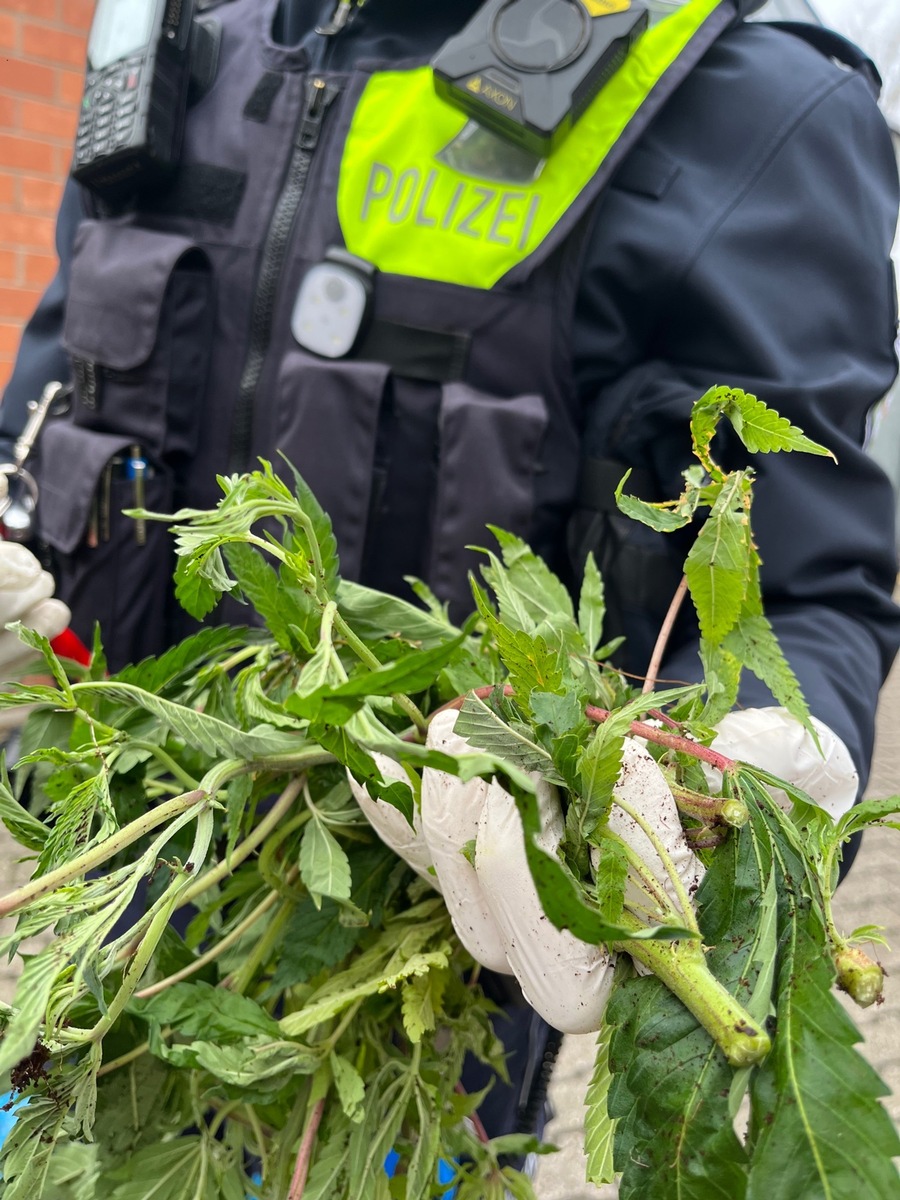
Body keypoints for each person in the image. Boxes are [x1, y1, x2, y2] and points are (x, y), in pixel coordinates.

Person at [0, 0, 898, 1149]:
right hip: (107, 911)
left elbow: (801, 591)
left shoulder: (742, 99)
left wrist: (754, 764)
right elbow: (53, 405)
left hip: (430, 1002)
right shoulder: (179, 42)